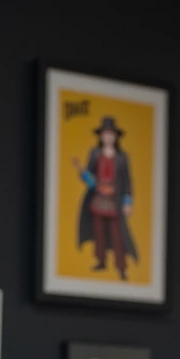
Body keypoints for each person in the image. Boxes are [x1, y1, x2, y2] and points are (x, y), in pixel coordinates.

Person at [73, 116, 137, 279]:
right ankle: (101, 260)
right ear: (101, 136)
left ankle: (121, 267)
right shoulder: (95, 154)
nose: (108, 137)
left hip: (115, 200)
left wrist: (127, 202)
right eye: (105, 134)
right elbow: (90, 179)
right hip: (98, 199)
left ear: (115, 137)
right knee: (99, 232)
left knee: (117, 234)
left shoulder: (122, 157)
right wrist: (84, 174)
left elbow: (127, 180)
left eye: (111, 134)